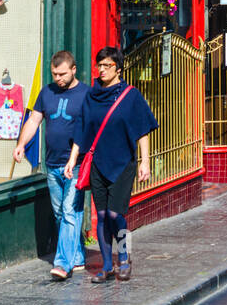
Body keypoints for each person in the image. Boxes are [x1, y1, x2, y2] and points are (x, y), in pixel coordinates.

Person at [63, 47, 158, 283]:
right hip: (97, 162)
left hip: (123, 162)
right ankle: (106, 265)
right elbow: (81, 129)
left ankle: (124, 257)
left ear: (118, 68)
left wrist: (145, 162)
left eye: (107, 66)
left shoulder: (130, 95)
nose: (102, 70)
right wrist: (73, 158)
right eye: (100, 65)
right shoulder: (91, 96)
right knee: (103, 215)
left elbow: (142, 129)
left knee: (116, 214)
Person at [14, 50, 89, 280]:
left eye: (63, 74)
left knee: (69, 212)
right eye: (55, 74)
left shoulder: (87, 94)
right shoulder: (46, 92)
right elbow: (34, 120)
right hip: (52, 164)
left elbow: (90, 128)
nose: (58, 78)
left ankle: (62, 263)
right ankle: (77, 256)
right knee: (60, 214)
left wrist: (78, 156)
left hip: (75, 164)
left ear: (73, 69)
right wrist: (21, 145)